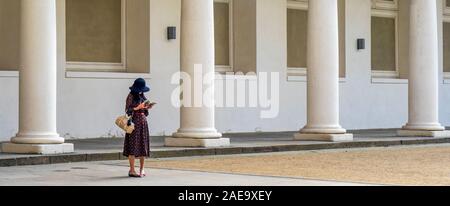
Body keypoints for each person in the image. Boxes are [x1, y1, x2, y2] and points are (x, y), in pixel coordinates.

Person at [123, 78, 153, 178]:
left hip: (143, 123)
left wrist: (146, 108)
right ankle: (132, 170)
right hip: (134, 123)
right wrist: (137, 108)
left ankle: (142, 169)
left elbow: (146, 113)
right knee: (132, 145)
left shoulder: (142, 96)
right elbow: (128, 110)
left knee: (142, 145)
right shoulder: (130, 96)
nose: (141, 91)